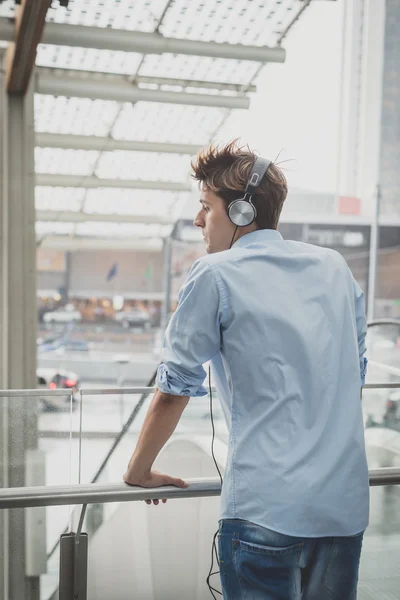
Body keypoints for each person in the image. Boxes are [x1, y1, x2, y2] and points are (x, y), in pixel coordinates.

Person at [123, 140, 369, 600]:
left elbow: (175, 387)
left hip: (264, 509)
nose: (198, 221)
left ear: (240, 213)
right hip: (343, 506)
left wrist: (139, 470)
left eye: (205, 208)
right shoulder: (335, 268)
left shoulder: (215, 274)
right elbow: (353, 375)